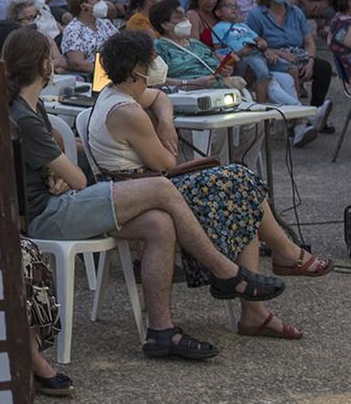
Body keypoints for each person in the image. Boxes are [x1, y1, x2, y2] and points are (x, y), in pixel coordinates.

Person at [4, 28, 287, 362]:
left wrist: (56, 171)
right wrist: (64, 174)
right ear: (44, 65)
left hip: (58, 205)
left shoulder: (27, 108)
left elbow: (56, 153)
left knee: (159, 224)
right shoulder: (25, 115)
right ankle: (225, 272)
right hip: (49, 216)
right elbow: (79, 180)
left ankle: (161, 331)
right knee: (162, 187)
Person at [85, 31, 324, 340]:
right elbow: (166, 163)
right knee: (240, 184)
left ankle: (268, 287)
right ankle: (283, 262)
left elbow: (158, 97)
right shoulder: (127, 111)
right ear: (136, 69)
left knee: (240, 189)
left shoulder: (119, 92)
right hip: (141, 192)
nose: (158, 63)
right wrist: (162, 133)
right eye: (152, 59)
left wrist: (166, 121)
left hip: (148, 185)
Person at [247, 0, 333, 117]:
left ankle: (316, 109)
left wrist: (310, 61)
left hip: (298, 56)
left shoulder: (295, 12)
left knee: (324, 68)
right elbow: (252, 43)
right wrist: (278, 53)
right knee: (289, 71)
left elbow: (308, 41)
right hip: (273, 58)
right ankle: (306, 116)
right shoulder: (256, 15)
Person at [211, 0, 299, 105]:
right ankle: (261, 105)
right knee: (262, 72)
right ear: (218, 12)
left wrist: (262, 43)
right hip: (246, 56)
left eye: (236, 6)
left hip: (259, 51)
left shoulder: (243, 26)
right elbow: (219, 50)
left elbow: (257, 38)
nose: (234, 8)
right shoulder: (218, 28)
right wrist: (238, 53)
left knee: (292, 69)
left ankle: (299, 106)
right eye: (229, 6)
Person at [58, 0, 117, 74]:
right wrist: (107, 71)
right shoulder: (73, 30)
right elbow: (78, 63)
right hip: (96, 74)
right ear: (83, 6)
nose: (101, 3)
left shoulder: (105, 24)